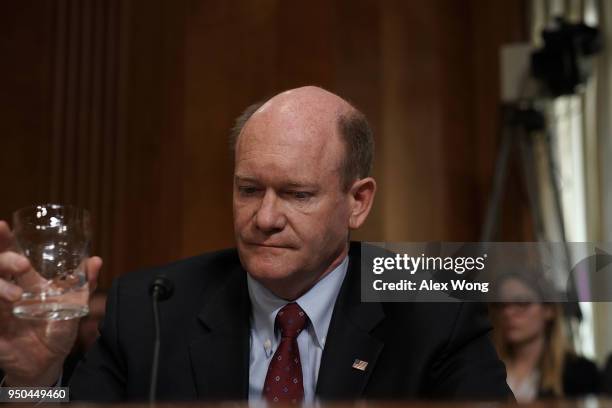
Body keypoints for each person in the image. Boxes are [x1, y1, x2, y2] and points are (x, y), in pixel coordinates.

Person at [0, 86, 512, 402]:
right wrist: (36, 376)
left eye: (297, 194)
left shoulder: (434, 307)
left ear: (357, 201)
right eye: (248, 190)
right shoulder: (151, 308)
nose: (264, 218)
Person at [490, 273, 599, 402]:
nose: (508, 313)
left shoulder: (581, 372)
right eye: (501, 305)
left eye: (521, 303)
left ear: (549, 310)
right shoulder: (484, 370)